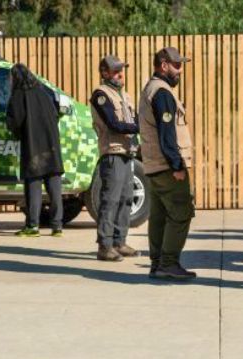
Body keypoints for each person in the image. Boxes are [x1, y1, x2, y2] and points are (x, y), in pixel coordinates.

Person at [139, 46, 197, 280]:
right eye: (176, 65)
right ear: (163, 65)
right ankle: (169, 263)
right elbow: (167, 134)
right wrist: (177, 165)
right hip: (166, 167)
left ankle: (157, 263)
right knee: (181, 212)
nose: (180, 71)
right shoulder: (162, 93)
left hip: (154, 165)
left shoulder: (151, 89)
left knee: (160, 215)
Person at [90, 55, 140, 262]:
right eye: (116, 71)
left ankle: (120, 241)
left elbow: (133, 119)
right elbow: (113, 124)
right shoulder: (101, 95)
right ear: (105, 73)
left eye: (122, 70)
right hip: (112, 152)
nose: (121, 74)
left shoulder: (124, 95)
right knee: (110, 200)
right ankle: (105, 245)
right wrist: (138, 127)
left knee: (127, 198)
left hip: (128, 152)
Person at [6, 63, 64, 237]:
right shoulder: (43, 92)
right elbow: (56, 114)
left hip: (33, 146)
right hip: (51, 145)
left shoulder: (19, 94)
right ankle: (57, 227)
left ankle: (32, 226)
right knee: (54, 186)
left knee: (33, 185)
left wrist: (14, 132)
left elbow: (15, 120)